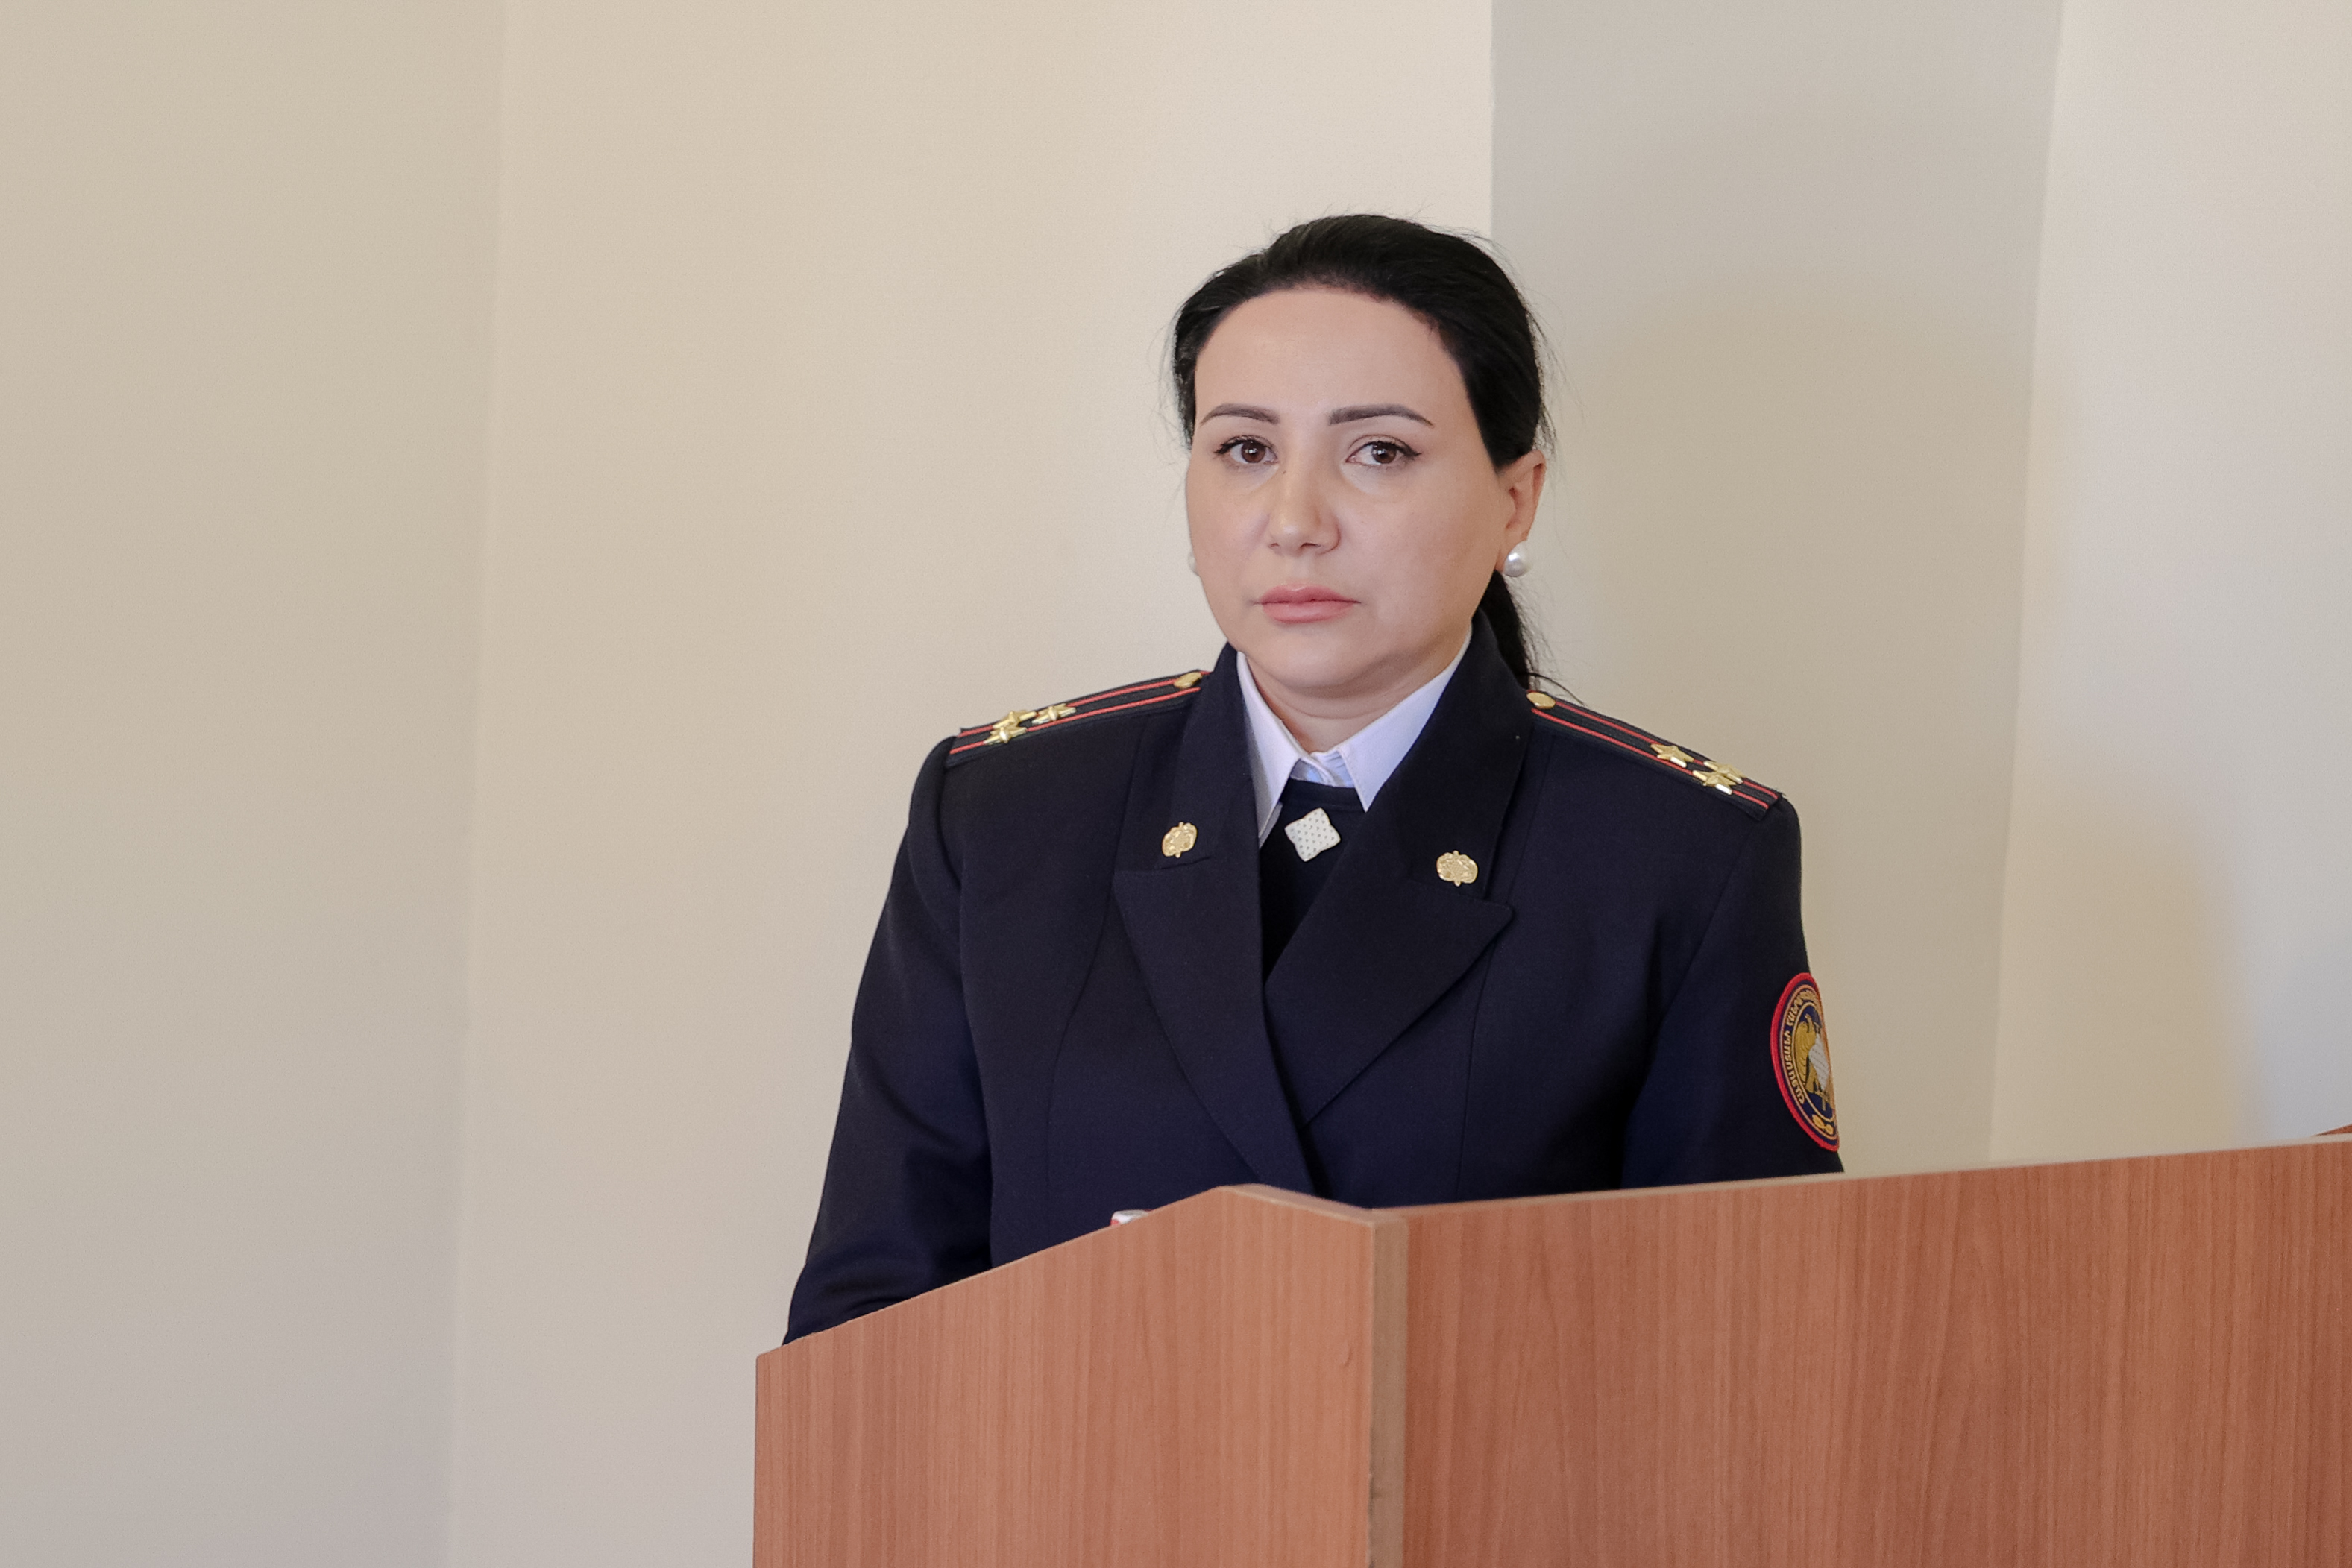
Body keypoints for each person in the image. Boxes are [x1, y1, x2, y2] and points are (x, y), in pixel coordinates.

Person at [785, 215, 1840, 1342]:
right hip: (1056, 1461)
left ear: (1515, 498)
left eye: (1378, 453)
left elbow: (1747, 1348)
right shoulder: (1006, 816)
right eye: (1245, 451)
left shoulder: (1677, 856)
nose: (1293, 523)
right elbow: (869, 1318)